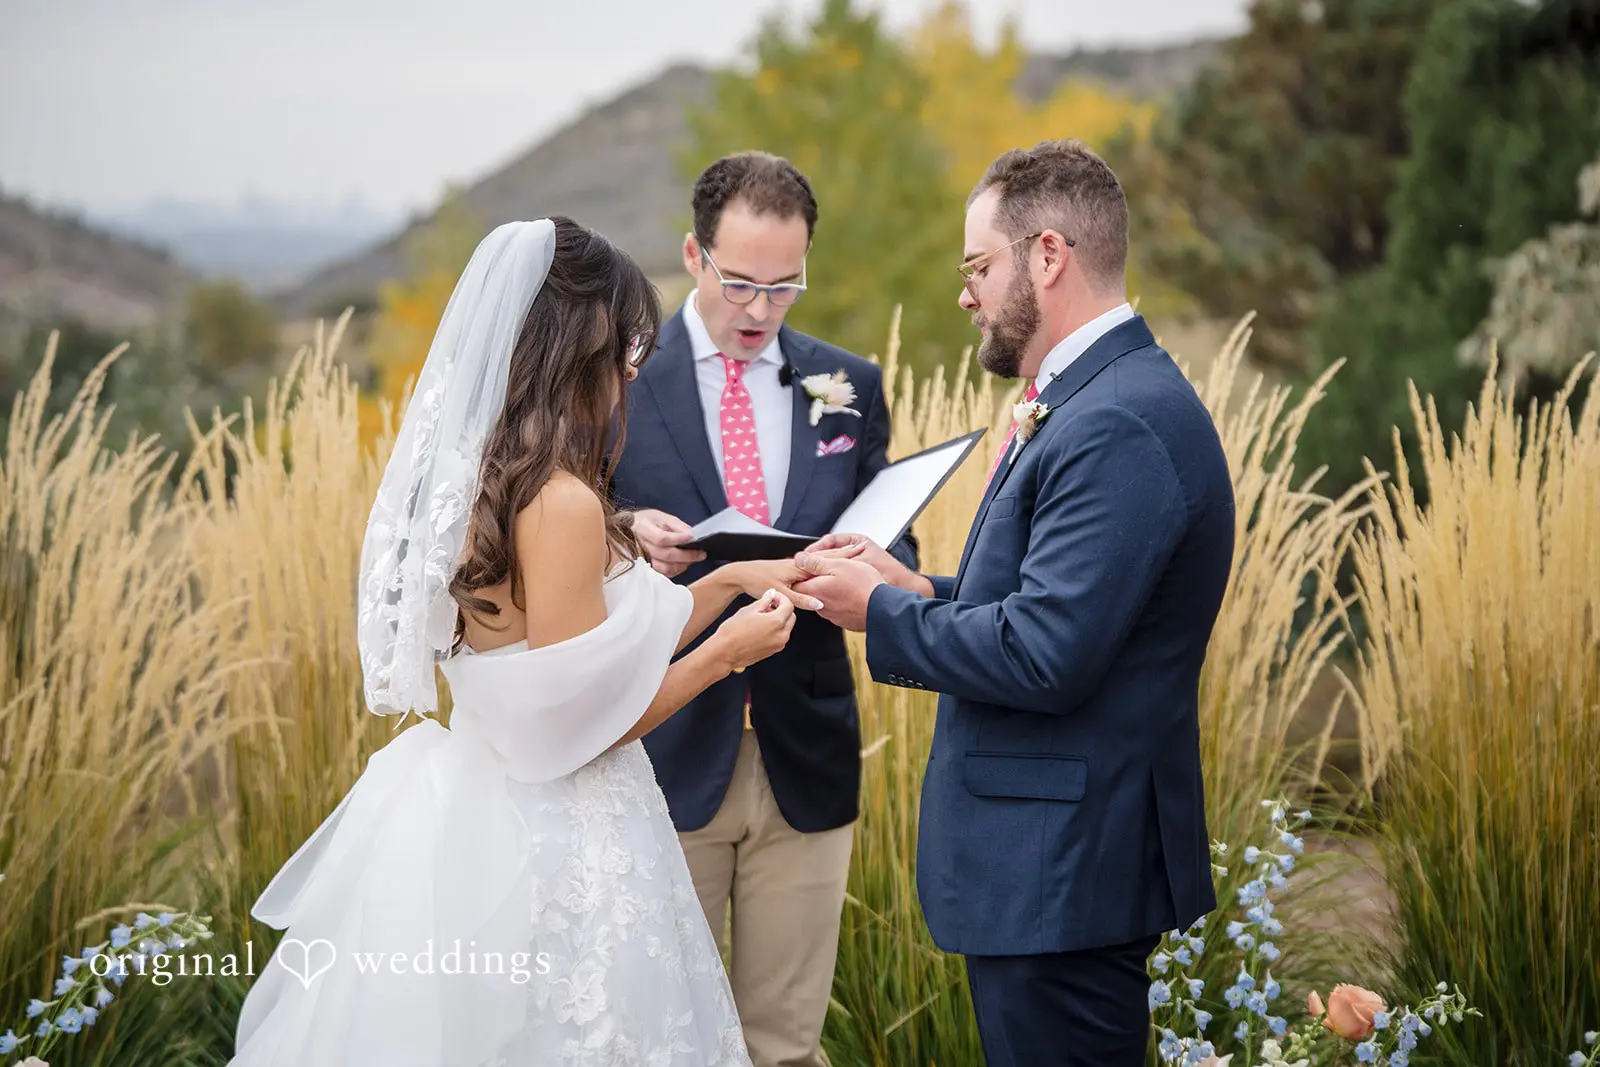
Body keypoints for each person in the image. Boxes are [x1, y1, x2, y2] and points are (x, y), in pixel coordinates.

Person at [229, 216, 824, 1066]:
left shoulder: (478, 481)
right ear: (580, 351)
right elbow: (581, 727)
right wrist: (728, 655)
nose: (629, 378)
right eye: (624, 353)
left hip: (479, 806)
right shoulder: (565, 502)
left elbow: (592, 655)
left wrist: (727, 585)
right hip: (565, 838)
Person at [790, 140, 1236, 1067]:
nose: (966, 294)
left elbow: (1045, 652)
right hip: (1052, 871)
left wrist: (883, 612)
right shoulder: (1096, 396)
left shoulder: (1115, 418)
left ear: (1047, 256)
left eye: (978, 267)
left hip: (1064, 873)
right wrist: (922, 588)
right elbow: (1057, 609)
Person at [605, 151, 916, 1067]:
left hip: (806, 751)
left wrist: (869, 568)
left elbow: (896, 549)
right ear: (694, 256)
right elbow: (558, 525)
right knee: (668, 1040)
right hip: (663, 746)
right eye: (739, 281)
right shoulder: (617, 379)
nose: (758, 310)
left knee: (784, 1045)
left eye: (785, 287)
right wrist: (624, 532)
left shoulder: (849, 384)